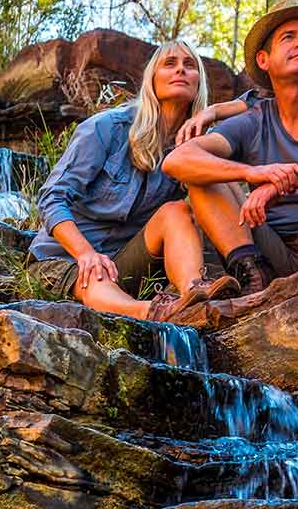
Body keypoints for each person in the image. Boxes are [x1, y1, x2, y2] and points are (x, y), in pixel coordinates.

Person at [163, 1, 298, 295]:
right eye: (288, 37)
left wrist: (281, 183)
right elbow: (177, 160)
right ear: (264, 59)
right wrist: (255, 173)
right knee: (204, 175)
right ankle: (252, 275)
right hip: (274, 249)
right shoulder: (253, 120)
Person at [28, 41, 247, 321]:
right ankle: (156, 314)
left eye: (189, 65)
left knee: (176, 211)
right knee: (94, 273)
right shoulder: (105, 128)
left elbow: (261, 106)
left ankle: (194, 292)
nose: (181, 69)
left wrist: (215, 112)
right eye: (169, 64)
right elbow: (52, 198)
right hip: (66, 258)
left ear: (199, 84)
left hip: (127, 261)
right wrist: (85, 253)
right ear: (151, 80)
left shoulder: (191, 147)